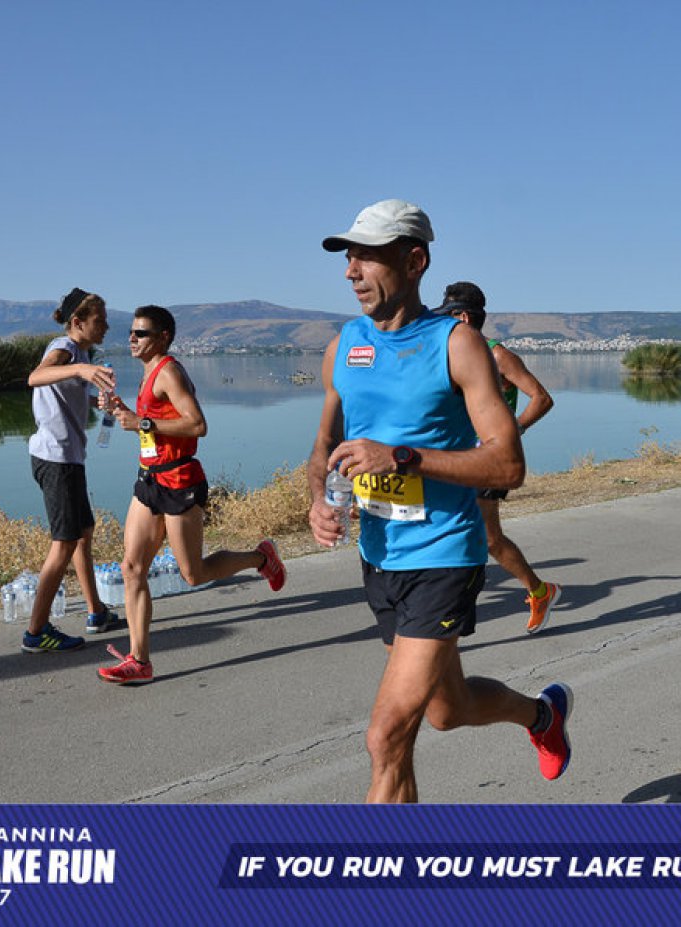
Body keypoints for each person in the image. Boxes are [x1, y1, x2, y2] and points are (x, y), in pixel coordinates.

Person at [307, 199, 573, 802]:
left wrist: (401, 457)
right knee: (446, 710)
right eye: (348, 258)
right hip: (381, 557)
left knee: (386, 737)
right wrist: (319, 499)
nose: (351, 271)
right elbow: (323, 443)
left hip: (444, 555)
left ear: (415, 261)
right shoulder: (344, 346)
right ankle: (543, 716)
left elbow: (508, 464)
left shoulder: (457, 344)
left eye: (368, 258)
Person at [99, 304, 287, 684]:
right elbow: (155, 426)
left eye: (141, 333)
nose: (132, 338)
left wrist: (142, 422)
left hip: (179, 481)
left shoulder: (168, 371)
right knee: (131, 568)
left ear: (163, 337)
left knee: (193, 573)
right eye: (131, 332)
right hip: (149, 480)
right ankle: (139, 660)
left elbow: (198, 424)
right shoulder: (148, 371)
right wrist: (123, 412)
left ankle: (261, 557)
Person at [439, 281, 561, 633]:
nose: (443, 322)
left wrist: (512, 431)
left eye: (448, 315)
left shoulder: (498, 355)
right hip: (461, 458)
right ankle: (446, 599)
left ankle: (539, 592)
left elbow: (541, 398)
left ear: (463, 317)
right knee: (452, 527)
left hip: (490, 460)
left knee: (489, 538)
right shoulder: (457, 354)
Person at [22, 287, 118, 654]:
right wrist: (81, 368)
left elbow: (67, 392)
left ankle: (96, 612)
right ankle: (36, 632)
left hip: (70, 459)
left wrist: (99, 402)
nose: (106, 326)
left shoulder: (80, 354)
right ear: (78, 322)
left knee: (83, 534)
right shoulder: (63, 348)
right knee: (63, 543)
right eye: (100, 320)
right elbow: (35, 377)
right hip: (55, 460)